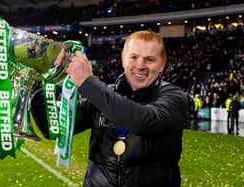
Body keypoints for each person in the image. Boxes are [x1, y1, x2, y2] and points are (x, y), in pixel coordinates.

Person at [33, 30, 188, 186]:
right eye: (133, 57)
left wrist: (87, 82)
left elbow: (142, 121)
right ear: (122, 59)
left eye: (149, 59)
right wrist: (34, 84)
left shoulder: (174, 97)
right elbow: (54, 128)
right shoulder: (103, 95)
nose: (140, 65)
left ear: (162, 64)